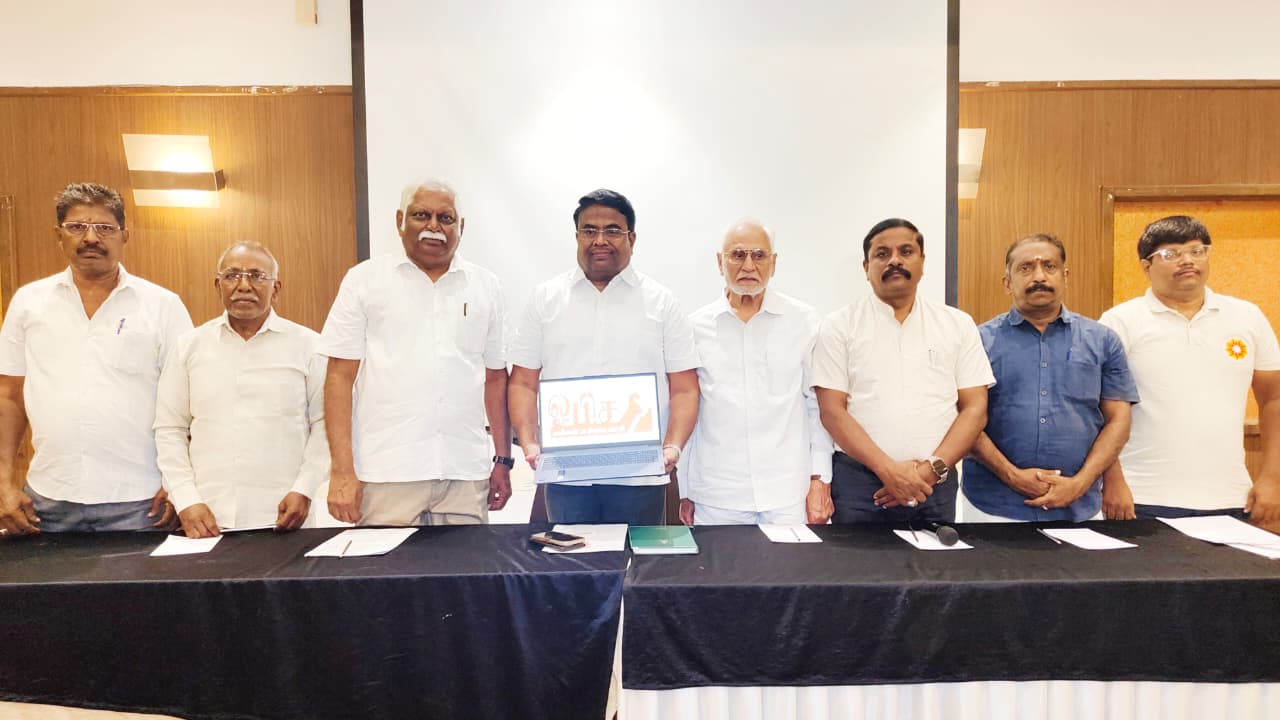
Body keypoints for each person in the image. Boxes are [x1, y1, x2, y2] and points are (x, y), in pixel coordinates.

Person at [0, 182, 192, 535]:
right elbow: (9, 396)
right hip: (48, 500)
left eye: (104, 228)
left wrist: (181, 483)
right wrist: (4, 482)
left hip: (143, 500)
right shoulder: (29, 302)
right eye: (77, 227)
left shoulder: (163, 306)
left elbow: (188, 402)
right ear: (58, 235)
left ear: (124, 236)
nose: (90, 238)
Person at [319, 178, 512, 526]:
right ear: (400, 221)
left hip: (464, 472)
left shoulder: (487, 286)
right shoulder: (364, 281)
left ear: (461, 226)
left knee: (467, 564)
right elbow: (339, 378)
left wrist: (502, 459)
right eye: (421, 215)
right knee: (386, 565)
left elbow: (496, 378)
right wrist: (342, 470)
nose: (434, 227)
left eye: (446, 218)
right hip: (386, 473)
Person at [507, 189, 700, 525]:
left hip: (639, 476)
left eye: (612, 230)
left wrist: (673, 447)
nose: (600, 240)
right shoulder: (545, 299)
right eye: (589, 230)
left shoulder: (661, 302)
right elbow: (523, 382)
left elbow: (684, 387)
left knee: (636, 559)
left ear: (631, 238)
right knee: (570, 556)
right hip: (567, 475)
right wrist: (529, 442)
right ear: (577, 237)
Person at [1100, 215, 1280, 522]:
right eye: (1171, 254)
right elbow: (1098, 409)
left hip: (1231, 496)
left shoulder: (1247, 317)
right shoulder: (1120, 322)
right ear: (1146, 266)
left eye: (1197, 251)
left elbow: (1274, 399)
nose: (1187, 261)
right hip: (1142, 496)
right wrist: (1112, 480)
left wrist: (1272, 478)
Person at [812, 218, 993, 524]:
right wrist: (888, 470)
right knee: (857, 558)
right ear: (866, 267)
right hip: (861, 487)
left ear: (922, 262)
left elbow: (975, 409)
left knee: (937, 557)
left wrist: (929, 471)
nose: (894, 260)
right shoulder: (839, 326)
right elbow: (831, 411)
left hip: (934, 485)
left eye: (906, 252)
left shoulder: (957, 324)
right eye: (882, 254)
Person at [155, 242, 328, 536]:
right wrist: (186, 499)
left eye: (257, 276)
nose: (244, 285)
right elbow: (169, 428)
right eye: (232, 275)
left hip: (286, 516)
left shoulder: (310, 346)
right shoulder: (189, 347)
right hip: (207, 517)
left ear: (276, 288)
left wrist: (305, 488)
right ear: (218, 285)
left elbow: (325, 425)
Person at [961, 234, 1138, 522]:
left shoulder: (1103, 340)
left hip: (1080, 505)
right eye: (1025, 268)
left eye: (1049, 266)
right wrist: (1012, 475)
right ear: (1007, 282)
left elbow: (1118, 420)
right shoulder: (976, 342)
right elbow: (963, 419)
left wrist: (1080, 482)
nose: (1039, 276)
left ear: (1065, 276)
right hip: (994, 507)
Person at [678, 219, 833, 525]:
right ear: (719, 262)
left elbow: (817, 405)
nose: (749, 265)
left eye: (759, 255)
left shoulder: (803, 321)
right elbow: (687, 410)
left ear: (773, 263)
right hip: (717, 494)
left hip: (788, 492)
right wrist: (685, 487)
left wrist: (820, 478)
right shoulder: (694, 328)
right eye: (738, 255)